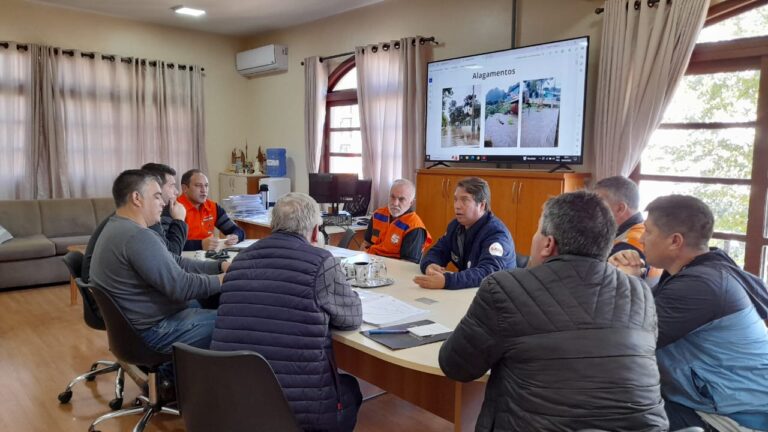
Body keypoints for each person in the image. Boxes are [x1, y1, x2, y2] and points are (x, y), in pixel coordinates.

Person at [439, 191, 669, 431]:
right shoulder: (640, 292)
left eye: (538, 231)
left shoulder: (505, 288)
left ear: (548, 244)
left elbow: (456, 365)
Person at [609, 195, 768, 431]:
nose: (641, 239)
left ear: (675, 241)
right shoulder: (702, 271)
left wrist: (626, 282)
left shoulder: (700, 286)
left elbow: (627, 341)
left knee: (603, 411)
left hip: (736, 417)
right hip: (714, 401)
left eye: (649, 232)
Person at [211, 192, 363, 432]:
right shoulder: (321, 261)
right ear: (315, 232)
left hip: (233, 402)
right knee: (350, 390)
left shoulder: (239, 260)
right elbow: (352, 317)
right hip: (296, 412)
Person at [91, 169, 227, 353]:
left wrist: (219, 266)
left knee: (216, 300)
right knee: (237, 321)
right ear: (137, 198)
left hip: (137, 327)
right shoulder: (137, 236)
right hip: (153, 332)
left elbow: (175, 261)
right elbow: (181, 287)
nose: (163, 203)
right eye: (156, 196)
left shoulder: (117, 226)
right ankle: (175, 374)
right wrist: (224, 279)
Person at [81, 162, 187, 283]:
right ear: (155, 185)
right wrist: (179, 220)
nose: (177, 191)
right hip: (110, 292)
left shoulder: (125, 217)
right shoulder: (140, 221)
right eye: (172, 186)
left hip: (102, 290)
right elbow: (169, 259)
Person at [415, 177, 515, 289]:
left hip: (497, 297)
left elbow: (488, 273)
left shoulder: (496, 233)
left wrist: (447, 281)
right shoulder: (455, 226)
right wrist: (430, 265)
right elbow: (437, 251)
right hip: (469, 293)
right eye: (455, 199)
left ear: (482, 205)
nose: (457, 206)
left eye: (464, 200)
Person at [594, 175, 661, 281]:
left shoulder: (629, 244)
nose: (593, 210)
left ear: (620, 209)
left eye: (598, 205)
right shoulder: (642, 229)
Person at [363, 179, 432, 263]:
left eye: (401, 199)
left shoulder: (414, 226)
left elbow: (408, 264)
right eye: (392, 197)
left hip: (392, 269)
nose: (395, 203)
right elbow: (366, 243)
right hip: (371, 264)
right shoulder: (378, 214)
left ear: (411, 203)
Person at [178, 169, 244, 251]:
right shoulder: (175, 208)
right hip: (184, 259)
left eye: (206, 185)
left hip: (209, 256)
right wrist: (201, 244)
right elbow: (170, 243)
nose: (204, 190)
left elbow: (238, 230)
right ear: (185, 188)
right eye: (198, 185)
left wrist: (236, 236)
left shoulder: (212, 207)